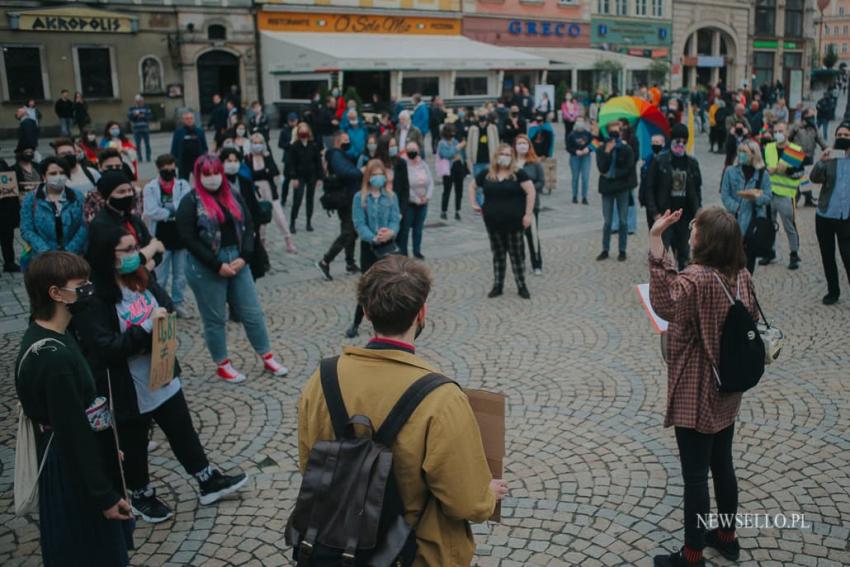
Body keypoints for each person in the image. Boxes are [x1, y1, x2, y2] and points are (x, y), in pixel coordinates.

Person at [298, 255, 506, 565]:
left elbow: (310, 465)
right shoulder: (442, 398)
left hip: (339, 545)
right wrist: (488, 494)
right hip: (415, 553)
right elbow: (465, 502)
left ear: (366, 312)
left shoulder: (321, 380)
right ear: (421, 313)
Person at [73, 228, 248, 523]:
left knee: (182, 429)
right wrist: (143, 331)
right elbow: (104, 347)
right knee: (135, 443)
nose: (134, 255)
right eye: (126, 250)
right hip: (128, 386)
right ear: (107, 256)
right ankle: (141, 495)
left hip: (162, 371)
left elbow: (166, 304)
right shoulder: (94, 299)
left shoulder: (141, 276)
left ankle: (207, 479)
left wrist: (159, 324)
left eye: (134, 247)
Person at [649, 207, 758, 567]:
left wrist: (655, 240)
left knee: (695, 477)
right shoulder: (742, 274)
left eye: (695, 228)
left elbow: (663, 303)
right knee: (722, 463)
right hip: (728, 385)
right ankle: (727, 538)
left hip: (697, 388)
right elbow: (752, 317)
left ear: (705, 240)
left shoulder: (695, 279)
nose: (691, 230)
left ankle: (692, 555)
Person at [15, 251, 133, 566]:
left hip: (74, 460)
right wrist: (104, 496)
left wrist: (108, 449)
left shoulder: (57, 336)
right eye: (81, 285)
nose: (89, 289)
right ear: (55, 293)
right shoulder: (53, 359)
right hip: (70, 473)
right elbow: (72, 432)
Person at [176, 155, 288, 383]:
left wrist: (245, 257)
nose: (213, 178)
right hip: (207, 265)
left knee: (252, 312)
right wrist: (216, 265)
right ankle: (222, 363)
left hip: (237, 260)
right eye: (207, 174)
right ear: (199, 176)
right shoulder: (191, 201)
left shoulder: (233, 194)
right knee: (215, 318)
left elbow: (249, 226)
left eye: (215, 172)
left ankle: (267, 356)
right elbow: (187, 237)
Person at [468, 143, 535, 298]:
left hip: (514, 222)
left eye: (508, 155)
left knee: (516, 255)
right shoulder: (486, 173)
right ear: (496, 156)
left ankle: (521, 285)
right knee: (498, 254)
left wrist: (528, 214)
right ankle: (498, 285)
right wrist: (473, 203)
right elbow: (472, 186)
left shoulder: (519, 173)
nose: (504, 157)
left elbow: (531, 192)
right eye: (502, 154)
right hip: (493, 222)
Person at [345, 159, 401, 338]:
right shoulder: (359, 198)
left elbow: (395, 219)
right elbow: (359, 223)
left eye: (380, 175)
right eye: (374, 175)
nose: (378, 178)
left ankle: (390, 322)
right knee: (367, 286)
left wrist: (390, 232)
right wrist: (373, 237)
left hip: (387, 246)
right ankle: (356, 322)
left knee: (389, 283)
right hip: (369, 247)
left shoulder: (391, 197)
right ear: (368, 177)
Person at [645, 124, 703, 271]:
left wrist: (698, 211)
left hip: (685, 215)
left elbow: (697, 189)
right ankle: (664, 281)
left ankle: (683, 281)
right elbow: (649, 187)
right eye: (677, 141)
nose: (680, 144)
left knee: (684, 252)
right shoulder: (660, 161)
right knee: (662, 254)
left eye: (684, 141)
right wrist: (655, 213)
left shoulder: (691, 163)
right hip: (665, 214)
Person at [143, 154, 193, 318]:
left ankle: (178, 303)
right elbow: (151, 211)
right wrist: (171, 211)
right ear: (158, 168)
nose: (169, 170)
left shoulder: (182, 185)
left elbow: (186, 205)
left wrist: (168, 210)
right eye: (165, 167)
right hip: (160, 236)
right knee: (160, 274)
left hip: (180, 234)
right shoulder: (150, 187)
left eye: (172, 166)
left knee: (180, 274)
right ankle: (161, 304)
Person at [810, 122, 850, 305]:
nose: (842, 137)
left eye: (846, 135)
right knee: (828, 255)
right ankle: (833, 291)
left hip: (846, 217)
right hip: (825, 215)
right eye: (839, 135)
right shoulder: (830, 157)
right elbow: (814, 178)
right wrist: (821, 161)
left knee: (847, 255)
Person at [720, 139, 773, 273]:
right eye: (739, 151)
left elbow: (768, 196)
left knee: (748, 263)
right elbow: (725, 195)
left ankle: (746, 288)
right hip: (733, 220)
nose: (741, 154)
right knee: (730, 260)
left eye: (744, 152)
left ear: (754, 154)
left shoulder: (763, 174)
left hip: (753, 223)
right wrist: (736, 207)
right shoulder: (730, 171)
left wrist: (756, 198)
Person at [20, 157, 88, 259]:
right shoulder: (31, 198)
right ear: (44, 176)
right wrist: (45, 251)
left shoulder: (77, 196)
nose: (58, 177)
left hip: (73, 257)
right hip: (42, 258)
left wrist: (69, 251)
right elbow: (26, 229)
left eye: (62, 173)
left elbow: (84, 225)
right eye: (53, 173)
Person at [315, 132, 361, 281]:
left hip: (349, 197)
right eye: (345, 140)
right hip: (345, 198)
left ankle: (350, 262)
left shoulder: (341, 154)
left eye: (349, 139)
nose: (348, 142)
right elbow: (345, 172)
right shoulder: (336, 155)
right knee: (348, 231)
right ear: (337, 142)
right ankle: (325, 261)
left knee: (352, 232)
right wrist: (360, 171)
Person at [221, 147, 269, 279]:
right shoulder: (219, 182)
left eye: (235, 160)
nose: (232, 164)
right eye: (229, 161)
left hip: (247, 227)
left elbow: (253, 207)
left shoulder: (244, 181)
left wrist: (254, 228)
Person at [246, 132, 295, 254]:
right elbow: (250, 175)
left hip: (269, 189)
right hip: (256, 190)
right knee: (261, 216)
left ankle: (288, 240)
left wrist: (265, 171)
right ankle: (262, 242)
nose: (257, 145)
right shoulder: (248, 158)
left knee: (279, 215)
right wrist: (264, 172)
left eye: (259, 143)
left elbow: (273, 171)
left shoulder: (267, 156)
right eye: (255, 143)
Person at [762, 121, 802, 270]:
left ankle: (794, 254)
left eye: (781, 131)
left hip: (786, 195)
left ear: (787, 133)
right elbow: (763, 166)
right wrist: (768, 170)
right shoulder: (769, 148)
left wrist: (784, 171)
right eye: (776, 131)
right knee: (769, 225)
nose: (778, 134)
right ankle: (770, 252)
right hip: (769, 193)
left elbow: (800, 173)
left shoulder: (795, 150)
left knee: (789, 226)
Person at [596, 121, 637, 262]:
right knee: (607, 221)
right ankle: (605, 249)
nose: (615, 134)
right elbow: (602, 167)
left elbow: (629, 167)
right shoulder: (601, 149)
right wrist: (608, 152)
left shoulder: (626, 148)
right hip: (607, 188)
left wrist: (613, 175)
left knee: (623, 221)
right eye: (612, 131)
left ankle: (622, 250)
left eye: (617, 131)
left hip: (622, 187)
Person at [397, 141, 432, 260]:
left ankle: (417, 251)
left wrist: (427, 197)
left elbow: (430, 182)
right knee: (405, 229)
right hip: (410, 203)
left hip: (424, 202)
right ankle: (403, 252)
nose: (413, 152)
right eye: (410, 149)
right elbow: (406, 186)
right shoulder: (404, 165)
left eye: (414, 149)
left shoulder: (424, 164)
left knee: (418, 228)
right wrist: (416, 199)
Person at [515, 134, 544, 275]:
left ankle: (537, 264)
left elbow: (541, 182)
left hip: (532, 204)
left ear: (529, 146)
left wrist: (529, 188)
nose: (522, 146)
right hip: (515, 204)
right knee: (517, 236)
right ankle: (520, 262)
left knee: (532, 235)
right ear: (515, 146)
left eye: (525, 143)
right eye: (519, 143)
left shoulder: (535, 163)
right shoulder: (511, 163)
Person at [287, 122, 323, 235]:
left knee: (310, 199)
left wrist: (320, 177)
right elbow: (291, 163)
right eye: (301, 129)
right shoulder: (294, 146)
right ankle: (292, 222)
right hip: (299, 175)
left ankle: (308, 221)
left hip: (311, 175)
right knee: (297, 198)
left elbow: (318, 162)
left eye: (305, 129)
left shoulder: (313, 145)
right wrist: (294, 177)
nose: (303, 131)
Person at [788, 108, 828, 207]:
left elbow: (820, 140)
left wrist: (827, 149)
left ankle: (808, 199)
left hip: (809, 156)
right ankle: (794, 199)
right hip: (795, 155)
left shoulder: (814, 127)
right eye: (810, 116)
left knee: (807, 178)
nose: (813, 118)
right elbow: (788, 138)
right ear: (805, 116)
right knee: (796, 177)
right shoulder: (797, 126)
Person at [436, 123, 466, 221]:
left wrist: (456, 152)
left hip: (458, 167)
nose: (453, 134)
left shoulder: (455, 141)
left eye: (454, 131)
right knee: (447, 190)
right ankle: (443, 211)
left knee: (459, 190)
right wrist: (457, 149)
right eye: (451, 132)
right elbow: (446, 154)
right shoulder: (442, 143)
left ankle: (458, 210)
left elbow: (460, 154)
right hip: (448, 169)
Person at [170, 111, 208, 181]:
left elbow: (204, 147)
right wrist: (173, 162)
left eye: (191, 118)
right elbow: (174, 148)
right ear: (183, 120)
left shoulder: (200, 131)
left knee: (200, 181)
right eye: (187, 119)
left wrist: (205, 159)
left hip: (197, 161)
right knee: (182, 182)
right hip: (183, 162)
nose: (189, 120)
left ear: (194, 119)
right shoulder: (178, 132)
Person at [466, 111, 500, 183]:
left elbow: (497, 143)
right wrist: (469, 158)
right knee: (478, 183)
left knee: (491, 182)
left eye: (483, 120)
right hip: (477, 160)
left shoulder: (493, 128)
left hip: (490, 160)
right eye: (481, 120)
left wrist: (497, 157)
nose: (482, 122)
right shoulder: (473, 129)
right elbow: (469, 144)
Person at [566, 119, 593, 204]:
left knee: (585, 177)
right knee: (575, 177)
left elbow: (594, 143)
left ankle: (584, 197)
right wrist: (575, 151)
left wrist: (588, 149)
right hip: (575, 157)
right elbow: (568, 147)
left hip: (586, 156)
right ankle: (574, 195)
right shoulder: (571, 135)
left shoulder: (588, 134)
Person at [528, 113, 556, 195]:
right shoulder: (533, 128)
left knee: (545, 171)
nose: (539, 122)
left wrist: (546, 155)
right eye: (538, 120)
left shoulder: (548, 129)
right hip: (534, 153)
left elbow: (549, 143)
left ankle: (546, 187)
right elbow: (530, 141)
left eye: (541, 120)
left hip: (544, 154)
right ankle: (537, 187)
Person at [277, 112, 300, 205]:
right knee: (286, 180)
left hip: (299, 158)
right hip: (288, 158)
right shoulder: (284, 131)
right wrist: (289, 144)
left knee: (298, 180)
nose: (292, 122)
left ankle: (297, 198)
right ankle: (283, 198)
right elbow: (280, 144)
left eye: (294, 120)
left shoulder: (299, 130)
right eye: (291, 121)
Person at [127, 95, 152, 163]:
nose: (139, 102)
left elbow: (150, 116)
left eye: (140, 101)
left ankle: (148, 157)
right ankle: (140, 158)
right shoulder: (132, 108)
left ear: (142, 101)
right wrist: (135, 115)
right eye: (137, 101)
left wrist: (143, 116)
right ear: (135, 101)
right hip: (136, 129)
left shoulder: (146, 107)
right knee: (137, 145)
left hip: (145, 129)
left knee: (147, 144)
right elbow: (130, 118)